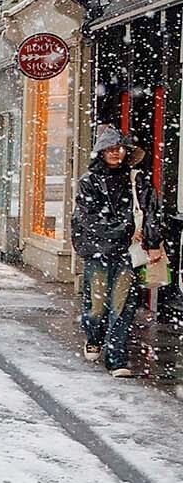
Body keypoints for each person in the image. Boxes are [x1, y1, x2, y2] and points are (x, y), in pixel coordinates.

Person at [70, 125, 163, 376]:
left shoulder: (137, 180)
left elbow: (151, 211)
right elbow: (87, 220)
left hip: (128, 253)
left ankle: (116, 357)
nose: (115, 153)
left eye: (119, 148)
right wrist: (123, 229)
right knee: (97, 306)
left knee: (122, 305)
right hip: (99, 251)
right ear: (101, 152)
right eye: (109, 149)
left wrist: (153, 243)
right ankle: (94, 337)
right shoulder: (89, 182)